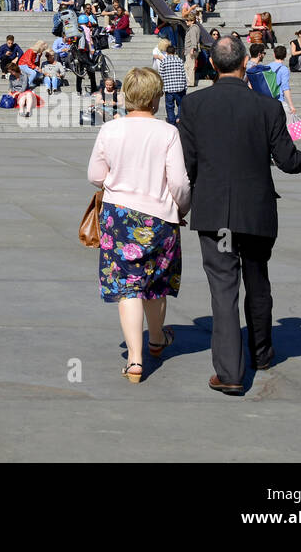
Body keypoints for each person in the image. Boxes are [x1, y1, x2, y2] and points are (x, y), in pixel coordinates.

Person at [179, 35, 301, 394]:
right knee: (258, 280)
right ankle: (262, 352)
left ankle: (230, 372)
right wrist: (299, 164)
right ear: (245, 64)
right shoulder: (268, 107)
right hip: (256, 210)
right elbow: (287, 157)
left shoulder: (193, 105)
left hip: (214, 210)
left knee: (223, 290)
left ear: (213, 66)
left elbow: (186, 163)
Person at [87, 66, 192, 383]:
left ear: (126, 95)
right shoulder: (168, 132)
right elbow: (179, 183)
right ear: (156, 97)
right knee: (156, 281)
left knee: (128, 287)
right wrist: (182, 208)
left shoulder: (110, 129)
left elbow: (94, 175)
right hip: (158, 216)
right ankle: (157, 339)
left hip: (119, 216)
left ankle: (134, 361)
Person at [153, 37, 188, 124]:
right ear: (174, 52)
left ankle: (171, 121)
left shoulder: (164, 62)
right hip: (180, 87)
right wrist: (185, 86)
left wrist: (161, 88)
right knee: (180, 104)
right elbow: (183, 74)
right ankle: (179, 118)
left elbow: (161, 75)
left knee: (169, 106)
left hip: (168, 88)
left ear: (167, 52)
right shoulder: (179, 60)